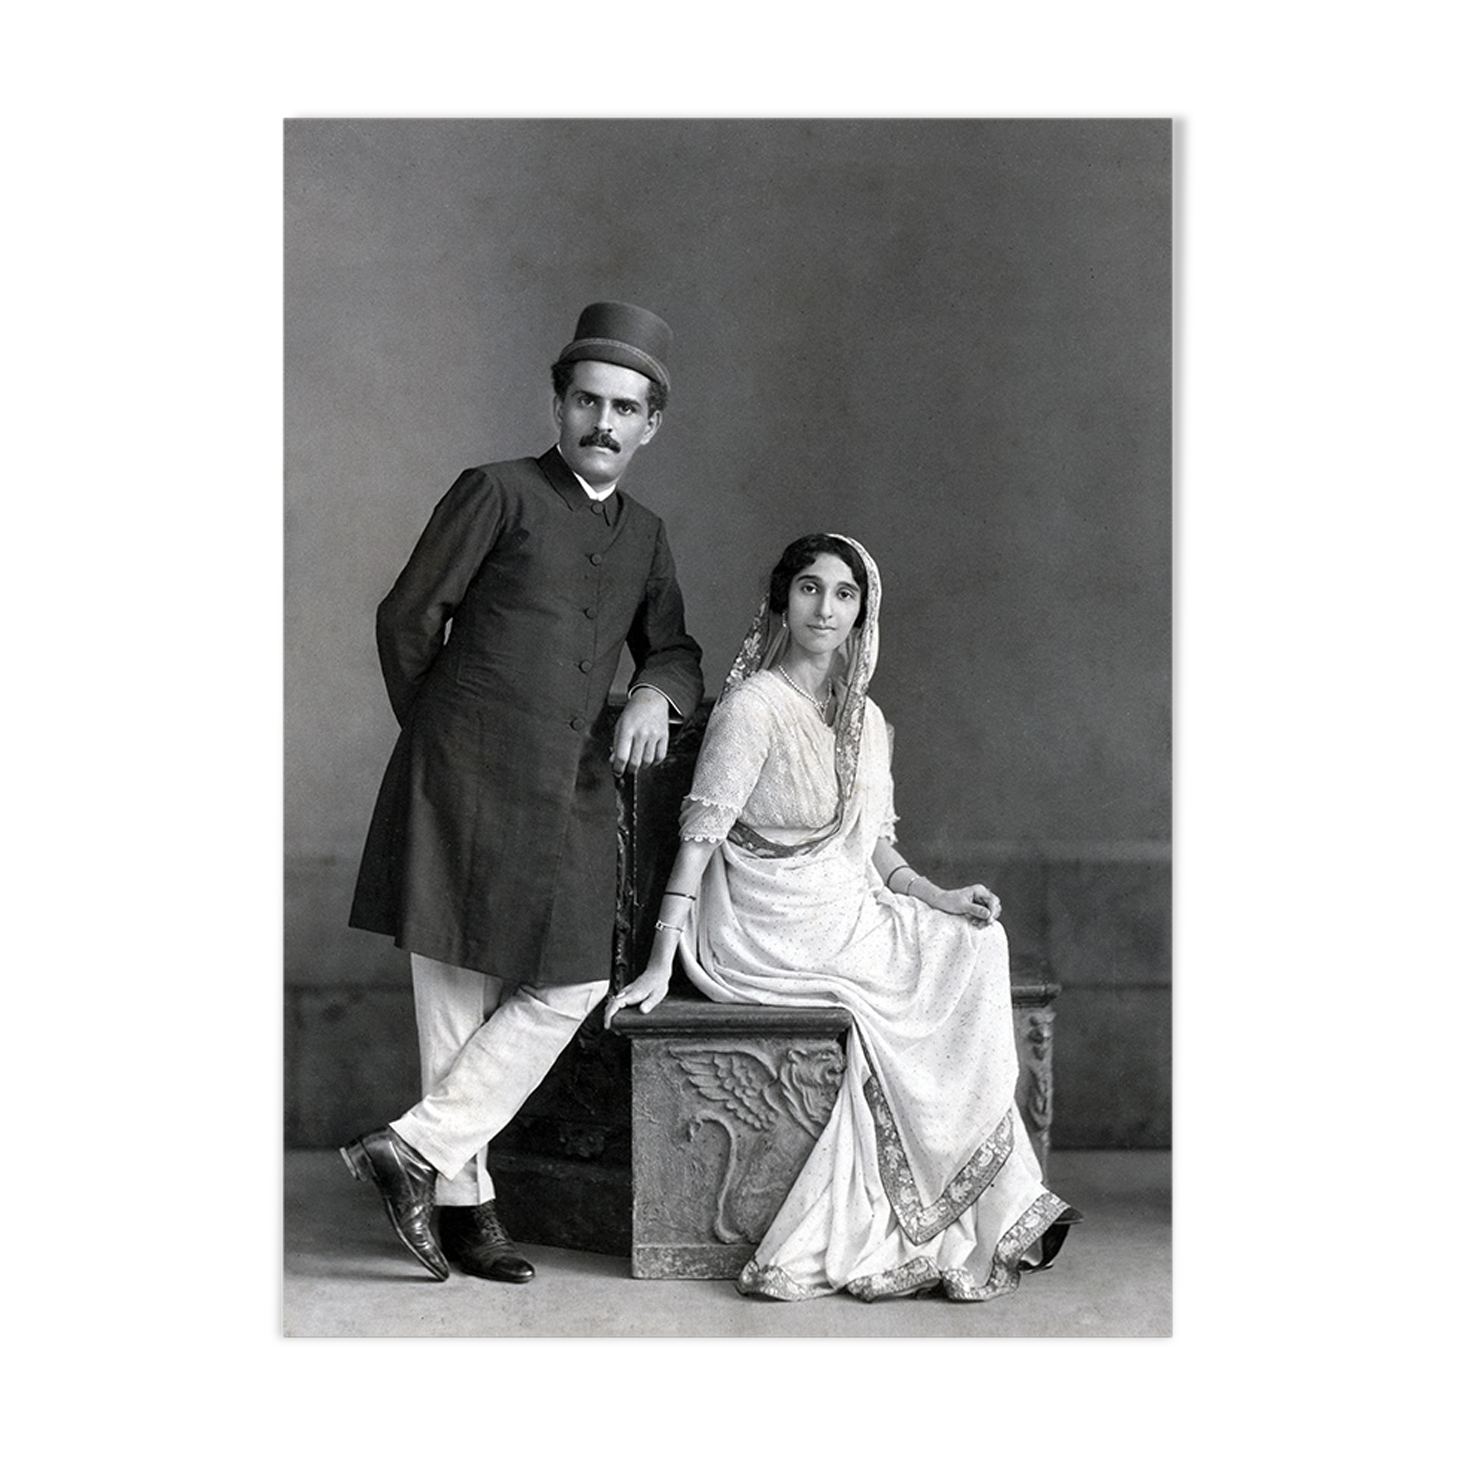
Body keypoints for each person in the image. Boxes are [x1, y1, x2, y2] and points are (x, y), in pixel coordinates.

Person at [606, 534, 1078, 1302]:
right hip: (767, 921)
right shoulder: (753, 707)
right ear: (780, 602)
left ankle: (989, 1199)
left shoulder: (863, 715)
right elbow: (699, 841)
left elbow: (874, 847)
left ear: (862, 612)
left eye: (844, 594)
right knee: (936, 973)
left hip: (845, 900)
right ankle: (979, 1202)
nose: (824, 608)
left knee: (976, 940)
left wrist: (935, 896)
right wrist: (662, 960)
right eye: (809, 588)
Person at [342, 302, 704, 1285]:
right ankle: (467, 1210)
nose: (602, 422)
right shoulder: (495, 491)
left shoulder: (645, 535)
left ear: (650, 425)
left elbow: (674, 646)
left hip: (566, 791)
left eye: (623, 408)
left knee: (572, 981)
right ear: (558, 404)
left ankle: (412, 1148)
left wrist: (655, 695)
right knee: (455, 998)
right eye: (587, 400)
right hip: (459, 778)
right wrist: (443, 736)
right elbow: (407, 617)